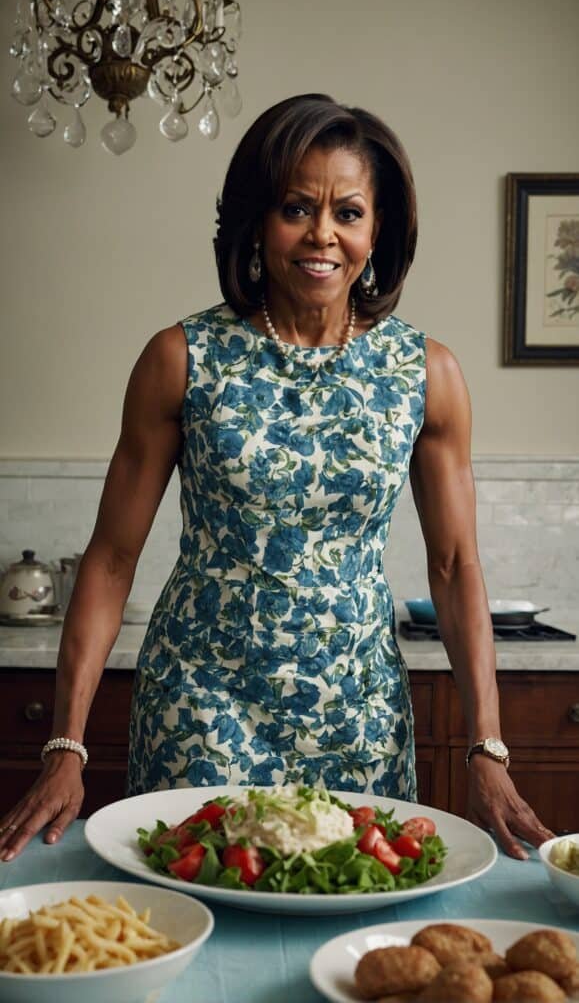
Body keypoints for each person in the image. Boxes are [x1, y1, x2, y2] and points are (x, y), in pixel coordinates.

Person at [0, 93, 552, 864]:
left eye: (348, 212)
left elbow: (456, 565)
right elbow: (111, 557)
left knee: (351, 928)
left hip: (355, 716)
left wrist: (486, 748)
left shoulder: (426, 374)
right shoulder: (179, 359)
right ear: (259, 221)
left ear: (377, 229)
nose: (322, 234)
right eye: (297, 207)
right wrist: (66, 744)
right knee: (200, 925)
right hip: (201, 706)